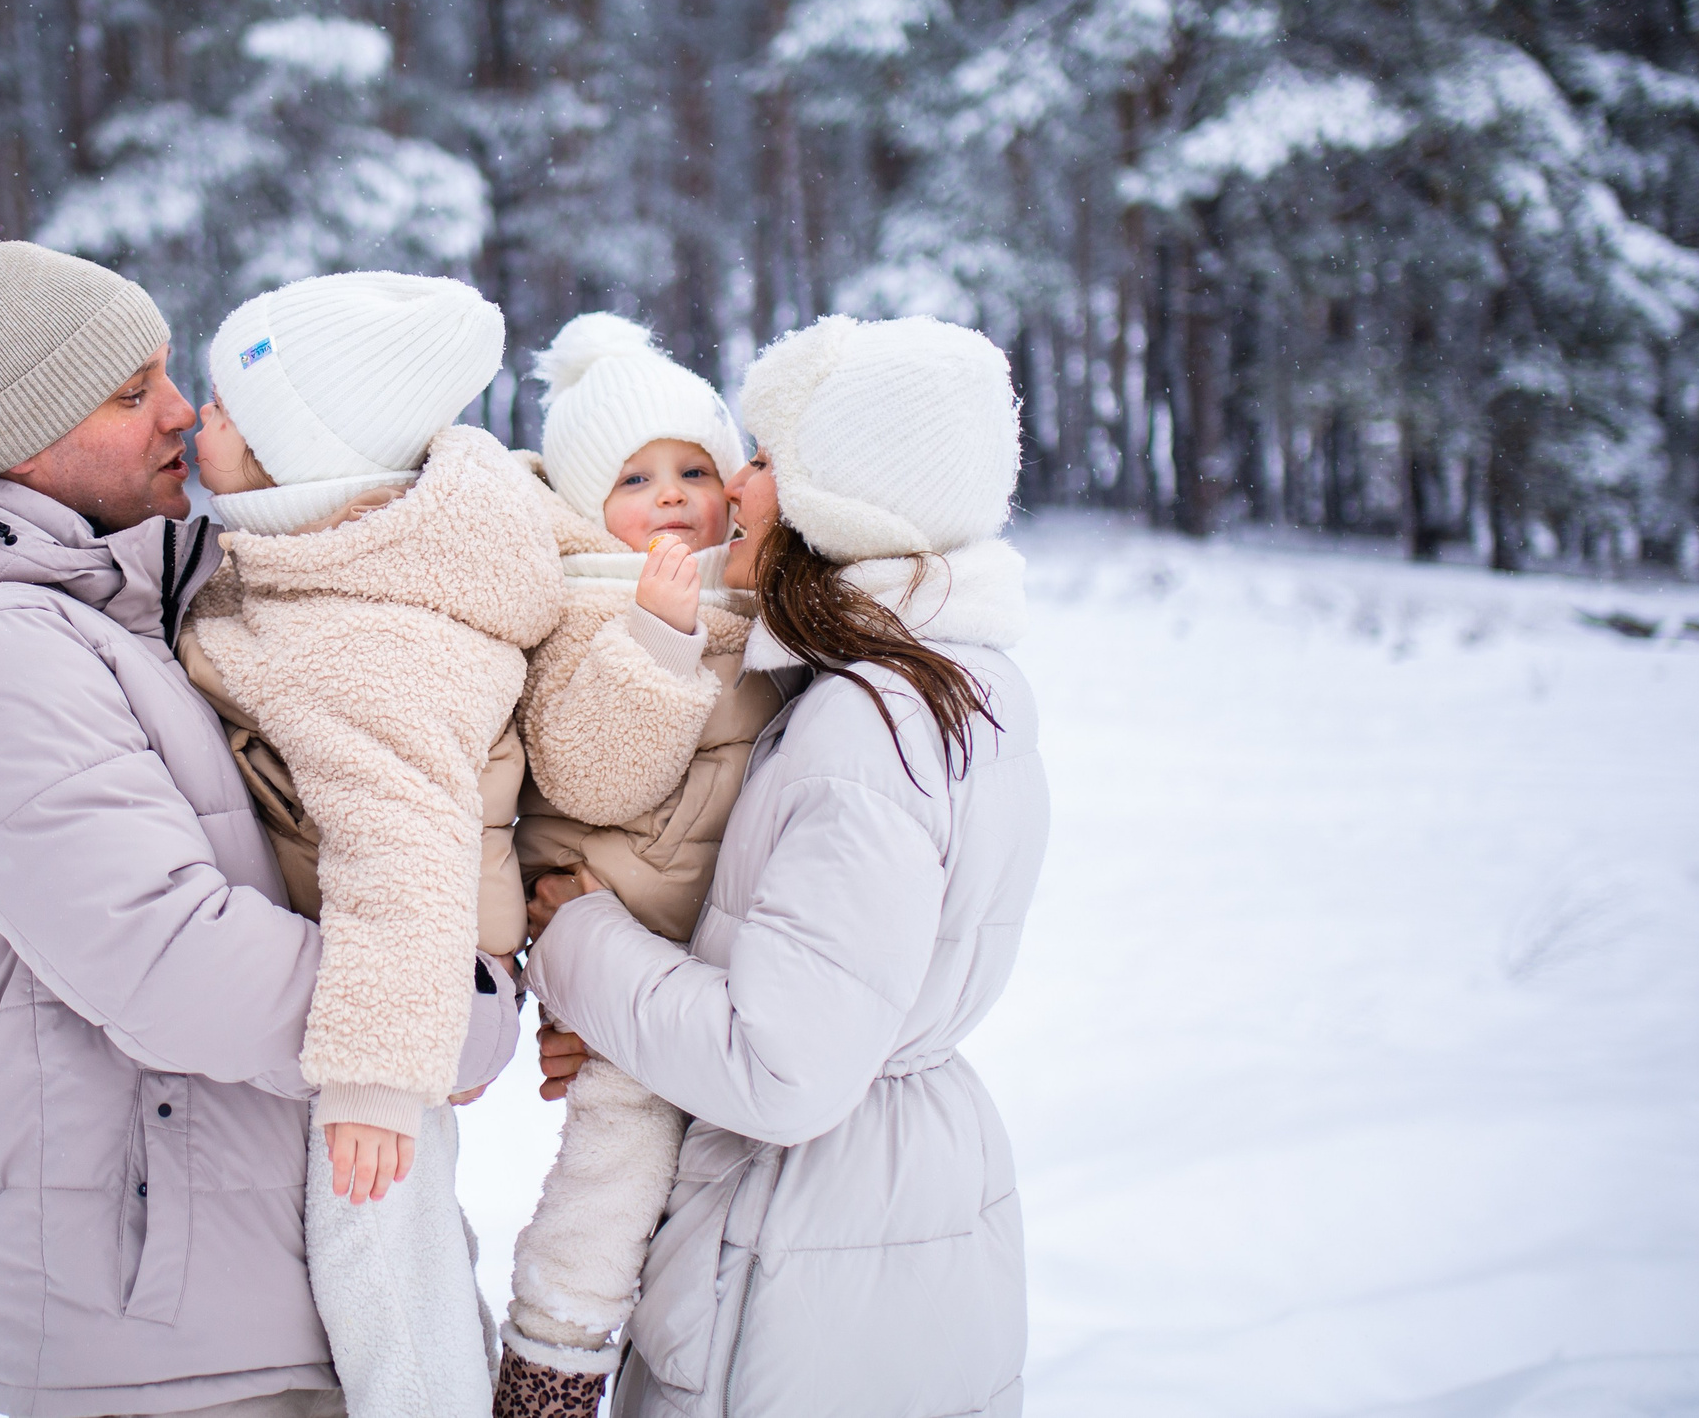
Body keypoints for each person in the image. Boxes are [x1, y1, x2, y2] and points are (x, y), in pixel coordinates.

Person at [0, 242, 521, 1418]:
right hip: (166, 1346)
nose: (180, 413)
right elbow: (175, 964)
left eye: (169, 373)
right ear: (29, 442)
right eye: (131, 395)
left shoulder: (154, 605)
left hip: (261, 1301)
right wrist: (440, 1006)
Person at [525, 314, 1050, 1417]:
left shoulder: (868, 725)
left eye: (761, 459)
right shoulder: (950, 680)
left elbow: (781, 1068)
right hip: (886, 1214)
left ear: (834, 501)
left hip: (809, 1245)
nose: (736, 488)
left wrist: (579, 942)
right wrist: (634, 1021)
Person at [179, 272, 564, 1418]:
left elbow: (402, 861)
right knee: (407, 1251)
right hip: (382, 985)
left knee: (378, 1262)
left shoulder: (368, 637)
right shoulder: (342, 565)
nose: (193, 425)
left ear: (293, 455)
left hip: (391, 1007)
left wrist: (375, 1084)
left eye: (217, 410)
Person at [490, 314, 785, 1416]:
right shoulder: (588, 607)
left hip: (702, 964)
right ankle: (551, 1362)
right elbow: (593, 778)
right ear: (580, 508)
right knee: (614, 1167)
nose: (671, 496)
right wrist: (652, 641)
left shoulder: (758, 599)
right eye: (633, 477)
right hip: (628, 939)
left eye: (695, 469)